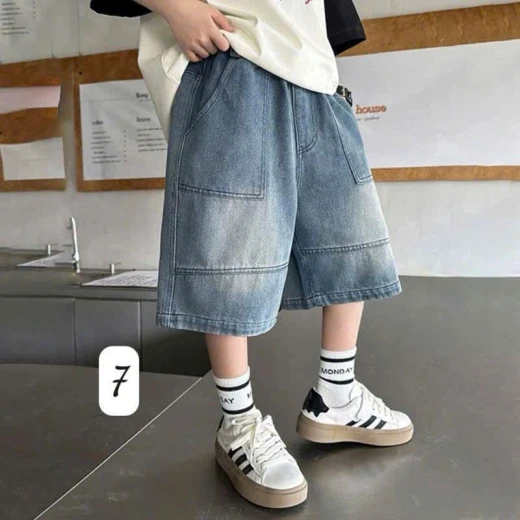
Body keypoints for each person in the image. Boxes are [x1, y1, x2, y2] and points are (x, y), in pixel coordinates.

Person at [91, 0, 414, 509]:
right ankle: (237, 422)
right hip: (232, 59)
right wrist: (177, 9)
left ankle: (337, 394)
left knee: (351, 241)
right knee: (228, 256)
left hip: (314, 73)